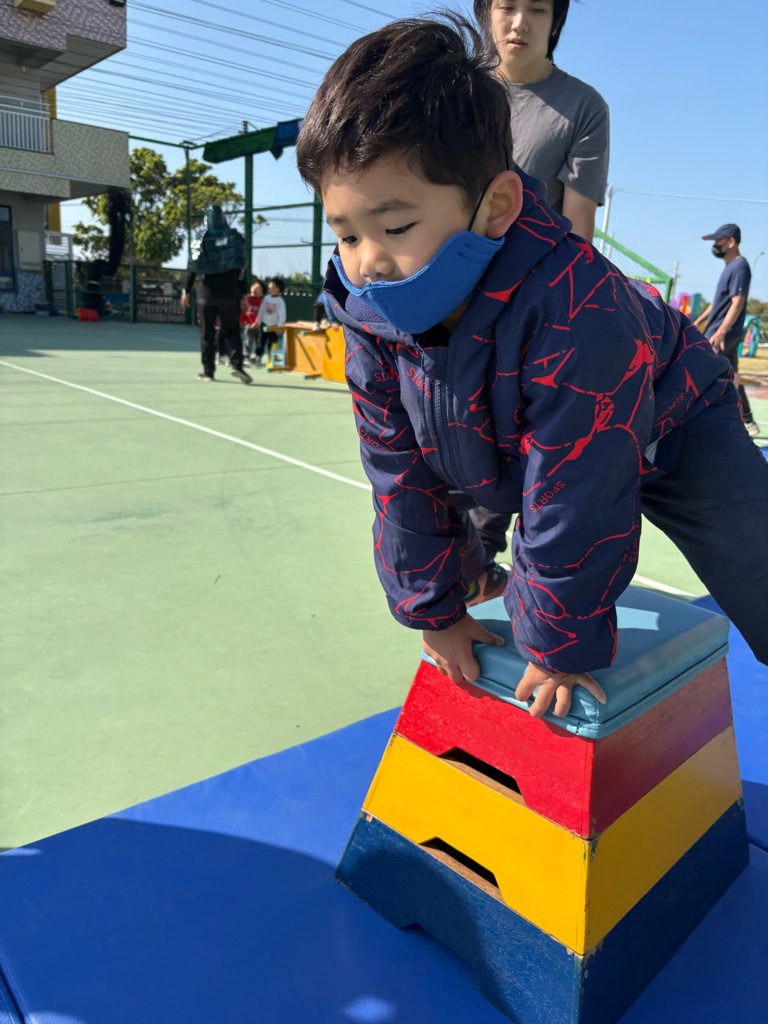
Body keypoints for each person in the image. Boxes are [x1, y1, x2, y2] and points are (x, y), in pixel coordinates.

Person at [295, 14, 768, 719]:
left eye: (394, 228)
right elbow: (396, 469)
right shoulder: (373, 315)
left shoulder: (578, 312)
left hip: (675, 420)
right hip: (510, 427)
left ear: (497, 206)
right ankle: (487, 586)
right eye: (346, 234)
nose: (369, 263)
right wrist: (435, 613)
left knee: (758, 565)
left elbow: (578, 489)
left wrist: (555, 645)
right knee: (456, 509)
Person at [465, 0, 611, 567]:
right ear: (486, 12)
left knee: (509, 471)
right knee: (434, 469)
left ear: (557, 21)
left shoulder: (583, 107)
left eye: (538, 9)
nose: (519, 22)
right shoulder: (457, 91)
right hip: (445, 308)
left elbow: (577, 235)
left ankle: (490, 574)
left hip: (522, 317)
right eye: (506, 5)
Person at [693, 224, 757, 438]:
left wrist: (721, 331)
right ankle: (747, 420)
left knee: (704, 368)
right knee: (732, 375)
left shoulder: (740, 266)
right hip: (718, 329)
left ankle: (705, 421)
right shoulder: (729, 267)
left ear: (731, 242)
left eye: (718, 241)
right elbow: (718, 302)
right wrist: (699, 320)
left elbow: (737, 303)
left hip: (724, 332)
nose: (715, 245)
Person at [181, 205, 253, 384]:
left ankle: (208, 372)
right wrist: (244, 296)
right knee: (232, 331)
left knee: (206, 334)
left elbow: (193, 268)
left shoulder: (202, 237)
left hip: (206, 294)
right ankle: (237, 366)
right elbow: (242, 270)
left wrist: (186, 291)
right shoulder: (235, 238)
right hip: (230, 294)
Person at [257, 277, 287, 366]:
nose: (269, 286)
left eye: (271, 284)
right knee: (261, 341)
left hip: (274, 326)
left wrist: (279, 327)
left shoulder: (280, 301)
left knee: (272, 343)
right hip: (264, 324)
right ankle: (258, 357)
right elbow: (261, 310)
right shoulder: (266, 298)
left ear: (277, 288)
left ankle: (271, 359)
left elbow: (282, 315)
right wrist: (259, 322)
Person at [241, 279, 265, 365]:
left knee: (259, 341)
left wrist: (256, 323)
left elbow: (261, 314)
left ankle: (258, 357)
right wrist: (242, 321)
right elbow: (242, 311)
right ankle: (246, 357)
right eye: (255, 286)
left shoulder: (260, 302)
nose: (255, 288)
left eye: (258, 288)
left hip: (257, 326)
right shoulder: (245, 298)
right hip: (247, 324)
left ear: (261, 293)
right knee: (247, 339)